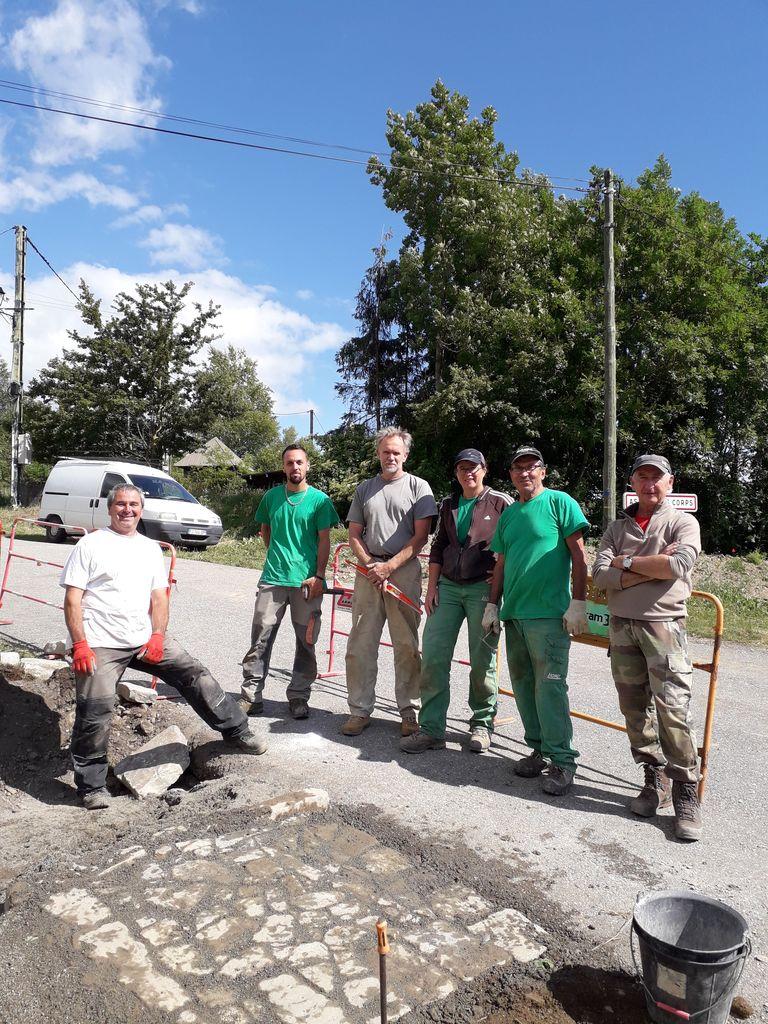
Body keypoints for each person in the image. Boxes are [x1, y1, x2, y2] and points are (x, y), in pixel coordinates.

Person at [61, 485, 267, 811]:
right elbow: (72, 599)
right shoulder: (90, 545)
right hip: (100, 642)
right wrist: (80, 644)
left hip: (144, 638)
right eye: (120, 504)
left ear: (140, 510)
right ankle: (91, 787)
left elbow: (159, 598)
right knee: (95, 709)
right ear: (110, 508)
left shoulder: (149, 549)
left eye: (133, 504)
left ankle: (237, 731)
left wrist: (157, 636)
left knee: (194, 673)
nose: (127, 510)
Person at [592, 454, 703, 841]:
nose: (649, 484)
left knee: (673, 709)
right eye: (642, 477)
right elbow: (600, 576)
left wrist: (624, 566)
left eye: (657, 478)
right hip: (622, 628)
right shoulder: (617, 526)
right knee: (633, 707)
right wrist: (643, 566)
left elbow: (678, 567)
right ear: (633, 483)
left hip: (664, 627)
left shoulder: (682, 522)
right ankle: (654, 777)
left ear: (669, 484)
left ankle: (687, 788)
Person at [484, 446, 589, 796]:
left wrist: (579, 602)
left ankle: (563, 760)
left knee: (551, 688)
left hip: (548, 616)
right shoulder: (510, 515)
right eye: (518, 469)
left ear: (543, 471)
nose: (524, 473)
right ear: (511, 476)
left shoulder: (561, 503)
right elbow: (500, 563)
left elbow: (579, 556)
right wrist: (492, 605)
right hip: (514, 614)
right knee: (525, 687)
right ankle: (539, 750)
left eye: (531, 467)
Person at [400, 448, 512, 754]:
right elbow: (439, 547)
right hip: (447, 588)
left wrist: (500, 584)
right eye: (462, 468)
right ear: (457, 473)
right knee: (434, 656)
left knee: (482, 661)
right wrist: (431, 586)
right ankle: (432, 728)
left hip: (482, 590)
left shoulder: (501, 502)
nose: (468, 473)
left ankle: (482, 724)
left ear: (484, 470)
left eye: (474, 468)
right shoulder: (448, 504)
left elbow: (514, 543)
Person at [342, 427, 437, 737]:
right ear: (378, 454)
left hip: (404, 571)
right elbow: (354, 533)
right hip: (367, 570)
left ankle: (409, 711)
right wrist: (371, 564)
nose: (391, 456)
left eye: (396, 452)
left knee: (407, 645)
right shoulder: (365, 489)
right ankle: (359, 710)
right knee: (360, 643)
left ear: (405, 455)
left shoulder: (419, 487)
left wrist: (389, 566)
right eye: (386, 451)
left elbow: (421, 536)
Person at [240, 444, 339, 719]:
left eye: (299, 462)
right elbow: (265, 531)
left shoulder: (320, 501)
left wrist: (319, 576)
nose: (294, 467)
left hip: (306, 583)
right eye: (289, 463)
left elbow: (324, 540)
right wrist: (278, 558)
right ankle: (251, 696)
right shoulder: (271, 497)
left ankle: (298, 696)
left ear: (307, 466)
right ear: (283, 467)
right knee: (260, 637)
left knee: (306, 641)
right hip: (273, 579)